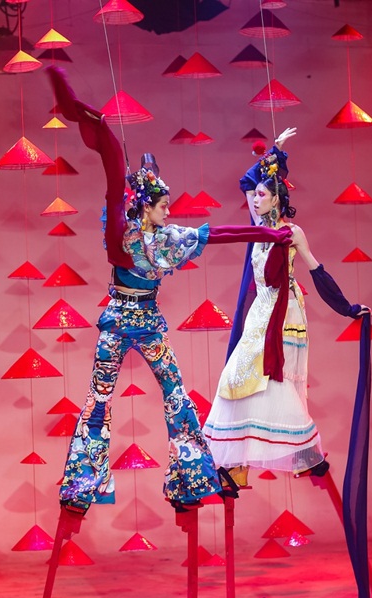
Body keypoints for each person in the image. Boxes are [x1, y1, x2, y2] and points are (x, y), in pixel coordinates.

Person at [46, 67, 293, 512]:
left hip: (148, 324)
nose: (169, 211)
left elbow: (217, 234)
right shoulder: (121, 232)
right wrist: (90, 118)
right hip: (117, 324)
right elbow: (112, 166)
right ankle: (80, 488)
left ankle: (187, 484)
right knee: (99, 400)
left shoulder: (168, 238)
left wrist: (267, 234)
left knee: (175, 395)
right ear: (147, 207)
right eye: (163, 206)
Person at [203, 130, 371, 484]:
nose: (254, 199)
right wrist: (276, 153)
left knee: (274, 381)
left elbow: (317, 270)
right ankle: (240, 466)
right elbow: (246, 181)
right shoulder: (258, 228)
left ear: (276, 200)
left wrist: (347, 308)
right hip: (260, 313)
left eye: (261, 195)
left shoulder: (291, 233)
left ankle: (303, 455)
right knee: (238, 379)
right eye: (255, 196)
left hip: (284, 312)